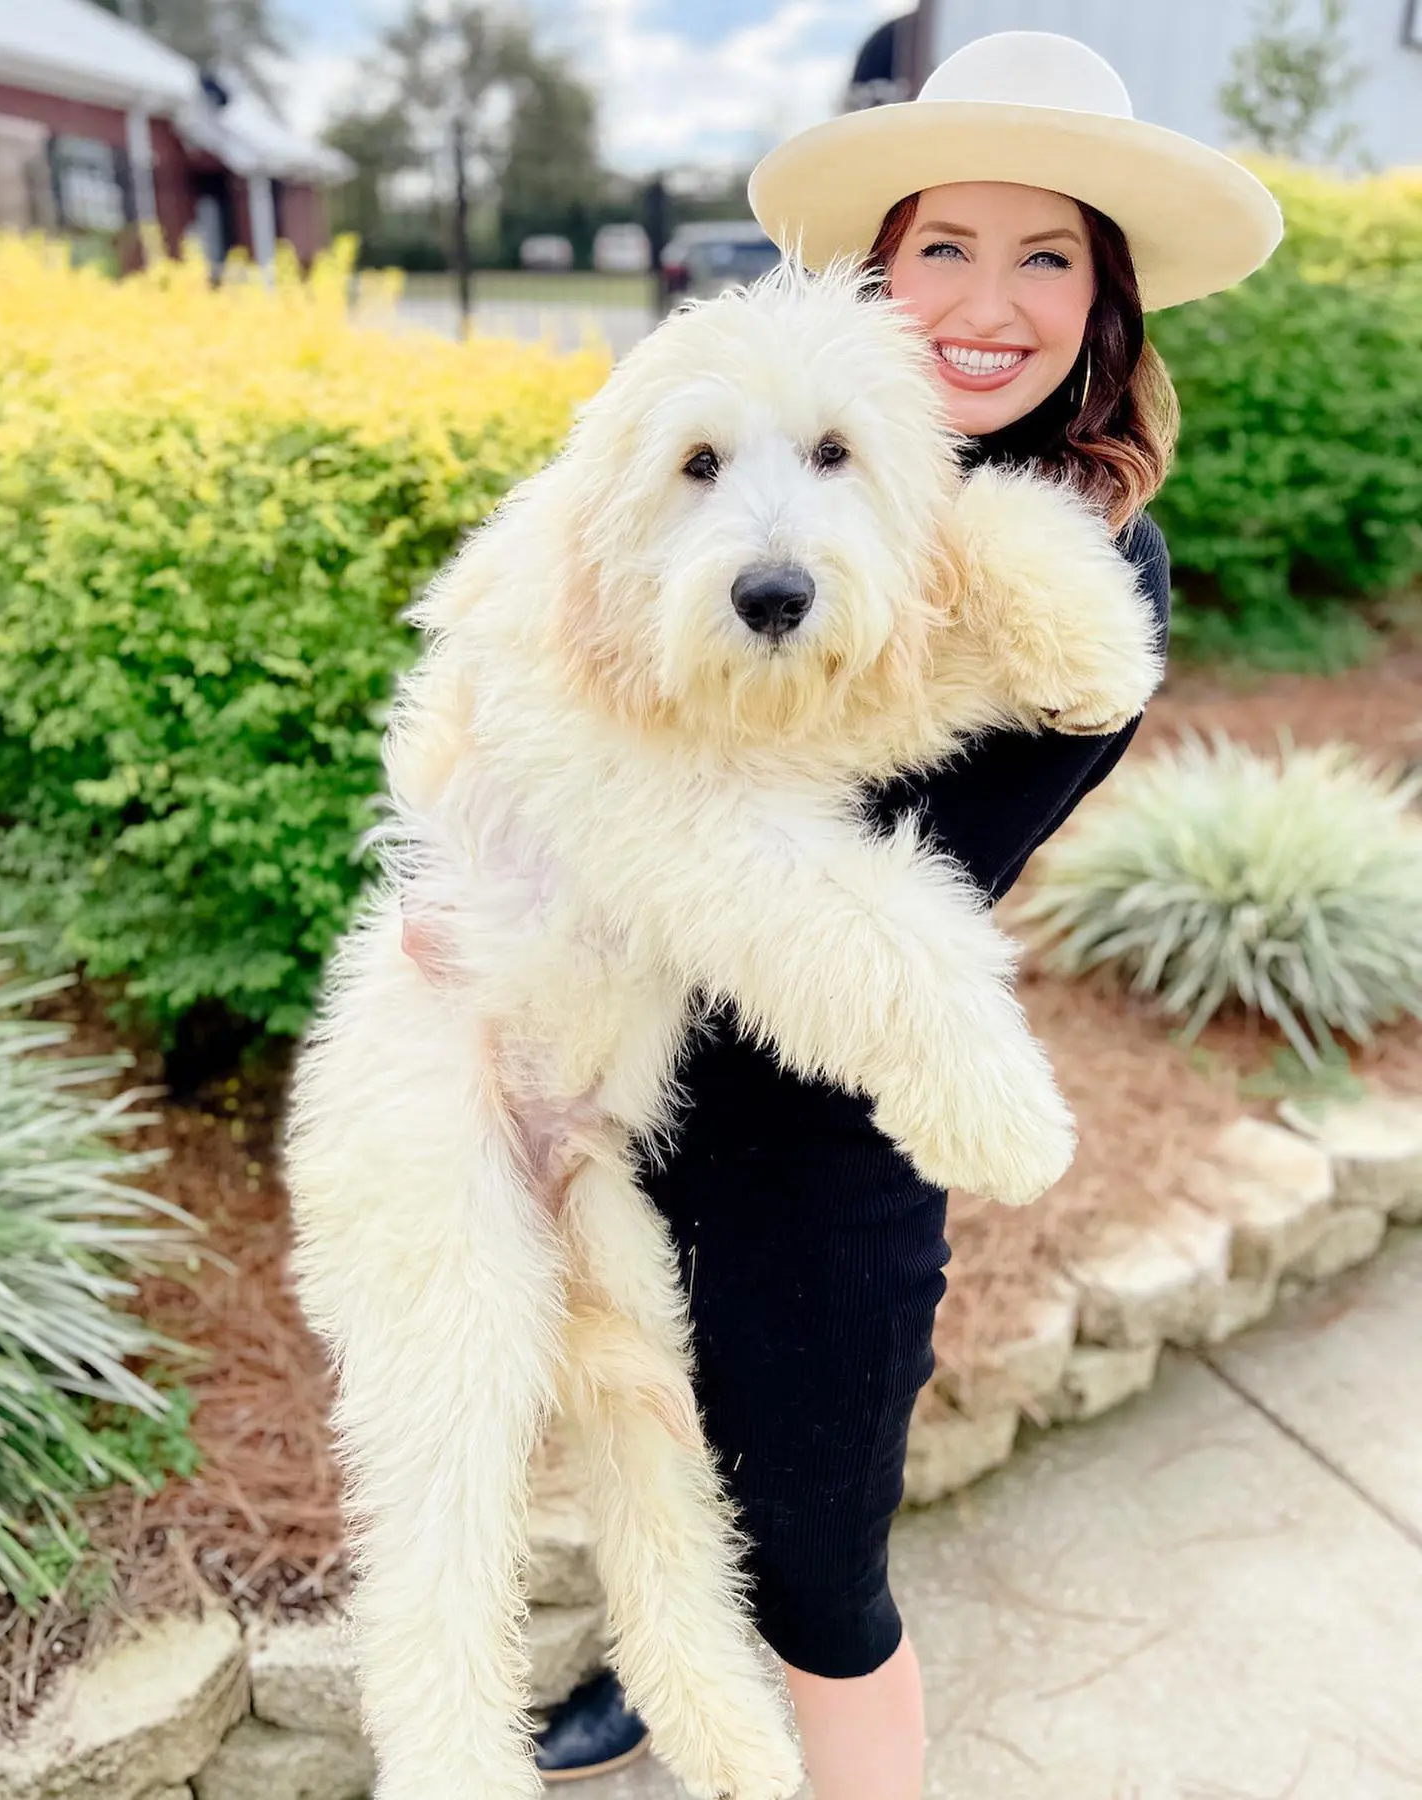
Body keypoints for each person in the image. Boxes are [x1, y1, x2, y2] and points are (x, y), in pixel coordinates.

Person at [413, 29, 1283, 1794]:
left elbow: (895, 870)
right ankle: (657, 1672)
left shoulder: (1082, 565)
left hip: (811, 1150)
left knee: (819, 1567)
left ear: (1104, 304)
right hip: (612, 1080)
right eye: (943, 246)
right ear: (875, 273)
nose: (987, 300)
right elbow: (558, 653)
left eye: (1047, 256)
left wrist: (580, 851)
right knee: (636, 1436)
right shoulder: (772, 454)